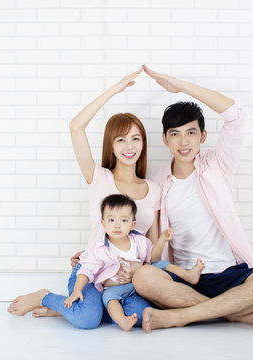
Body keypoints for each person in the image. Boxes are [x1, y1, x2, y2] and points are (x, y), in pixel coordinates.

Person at [131, 65, 253, 333]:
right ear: (165, 139)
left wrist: (180, 85)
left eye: (191, 132)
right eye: (175, 134)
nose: (183, 142)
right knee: (144, 278)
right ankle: (235, 314)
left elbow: (236, 115)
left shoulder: (218, 165)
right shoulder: (157, 183)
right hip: (184, 278)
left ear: (203, 136)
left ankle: (183, 316)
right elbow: (145, 237)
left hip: (228, 274)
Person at [8, 67, 161, 329]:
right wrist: (116, 89)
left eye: (136, 139)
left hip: (127, 282)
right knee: (88, 320)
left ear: (143, 144)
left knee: (143, 314)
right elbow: (75, 126)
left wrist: (137, 269)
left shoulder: (154, 189)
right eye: (121, 139)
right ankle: (45, 297)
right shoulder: (98, 177)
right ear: (111, 145)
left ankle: (68, 308)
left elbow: (154, 246)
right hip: (93, 272)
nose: (130, 146)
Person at [64, 194, 205, 331]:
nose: (117, 225)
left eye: (124, 221)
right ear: (103, 223)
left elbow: (152, 258)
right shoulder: (100, 248)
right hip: (116, 288)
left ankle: (187, 275)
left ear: (132, 224)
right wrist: (77, 290)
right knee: (109, 298)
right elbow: (87, 270)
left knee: (159, 264)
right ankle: (122, 321)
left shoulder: (139, 241)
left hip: (140, 283)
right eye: (111, 220)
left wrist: (162, 240)